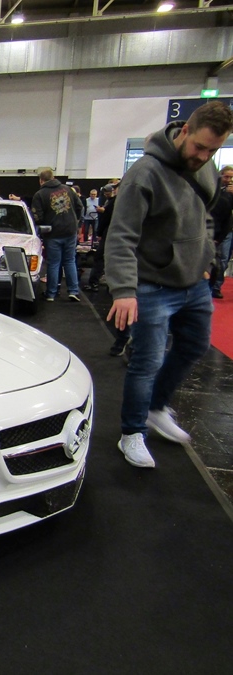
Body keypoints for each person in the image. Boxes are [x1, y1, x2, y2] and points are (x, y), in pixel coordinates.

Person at [105, 100, 233, 469]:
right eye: (200, 147)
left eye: (213, 151)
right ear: (185, 131)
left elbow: (205, 215)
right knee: (147, 361)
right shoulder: (144, 174)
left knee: (194, 346)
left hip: (194, 284)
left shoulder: (205, 168)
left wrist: (207, 259)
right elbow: (121, 236)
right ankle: (132, 432)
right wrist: (124, 291)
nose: (203, 157)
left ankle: (156, 407)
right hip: (151, 286)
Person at [32, 169, 83, 302]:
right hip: (70, 230)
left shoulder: (40, 194)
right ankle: (73, 291)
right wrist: (75, 221)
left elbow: (37, 217)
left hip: (52, 233)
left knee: (54, 263)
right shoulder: (68, 189)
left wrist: (43, 226)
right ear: (53, 177)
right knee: (70, 261)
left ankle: (51, 294)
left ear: (41, 180)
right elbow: (80, 207)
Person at [209, 165, 233, 298]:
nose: (228, 180)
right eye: (226, 177)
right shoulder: (213, 189)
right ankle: (210, 286)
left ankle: (216, 287)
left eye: (231, 177)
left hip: (226, 229)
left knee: (223, 260)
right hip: (214, 229)